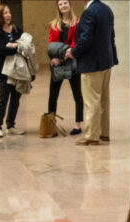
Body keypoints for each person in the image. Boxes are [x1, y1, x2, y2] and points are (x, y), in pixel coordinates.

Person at [66, 0, 116, 146]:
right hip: (106, 62)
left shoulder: (89, 12)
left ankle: (92, 136)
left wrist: (73, 52)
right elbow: (111, 36)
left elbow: (86, 38)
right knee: (104, 99)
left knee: (91, 101)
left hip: (92, 64)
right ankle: (104, 133)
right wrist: (112, 57)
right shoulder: (107, 9)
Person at [47, 0, 83, 136]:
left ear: (70, 4)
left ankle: (78, 124)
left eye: (65, 3)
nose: (63, 5)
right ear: (58, 7)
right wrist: (53, 58)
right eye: (61, 4)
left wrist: (69, 52)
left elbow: (76, 41)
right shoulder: (54, 24)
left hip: (72, 61)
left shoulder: (77, 23)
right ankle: (51, 125)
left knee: (77, 94)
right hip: (57, 63)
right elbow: (51, 43)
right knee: (53, 95)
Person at [0, 4, 23, 139]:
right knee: (3, 98)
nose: (8, 15)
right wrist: (16, 46)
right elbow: (1, 49)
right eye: (5, 13)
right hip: (2, 72)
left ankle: (10, 125)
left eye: (9, 13)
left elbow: (26, 44)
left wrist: (13, 45)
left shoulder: (16, 30)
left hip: (17, 71)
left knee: (16, 98)